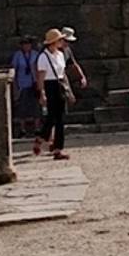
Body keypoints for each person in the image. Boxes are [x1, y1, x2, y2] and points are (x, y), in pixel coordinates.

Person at [33, 28, 74, 160]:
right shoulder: (43, 57)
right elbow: (40, 77)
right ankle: (41, 138)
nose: (62, 42)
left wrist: (69, 90)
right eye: (60, 40)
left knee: (60, 119)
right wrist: (42, 93)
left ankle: (57, 148)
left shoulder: (60, 55)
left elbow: (63, 74)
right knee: (52, 117)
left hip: (59, 85)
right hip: (49, 86)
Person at [8, 37, 41, 139]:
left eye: (28, 44)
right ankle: (22, 129)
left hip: (34, 83)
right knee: (22, 107)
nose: (26, 46)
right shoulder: (17, 56)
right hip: (22, 84)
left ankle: (37, 128)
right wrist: (15, 85)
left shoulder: (35, 54)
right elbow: (14, 70)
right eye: (24, 44)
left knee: (36, 106)